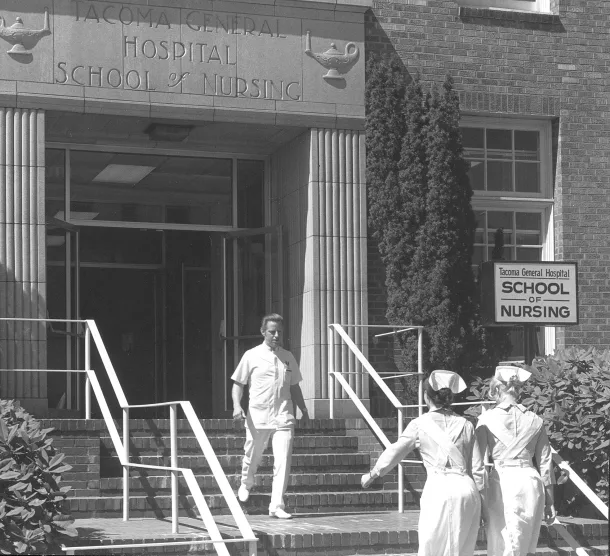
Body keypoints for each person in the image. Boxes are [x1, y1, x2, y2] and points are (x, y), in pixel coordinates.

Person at [361, 370, 484, 556]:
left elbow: (396, 450)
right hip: (466, 489)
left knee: (431, 546)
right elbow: (478, 468)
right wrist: (483, 501)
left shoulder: (419, 424)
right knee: (462, 548)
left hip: (438, 487)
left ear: (427, 396)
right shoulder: (466, 424)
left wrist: (374, 473)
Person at [231, 313, 309, 519]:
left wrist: (304, 409)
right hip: (258, 416)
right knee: (253, 455)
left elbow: (295, 387)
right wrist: (236, 406)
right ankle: (246, 483)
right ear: (263, 332)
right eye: (272, 331)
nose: (276, 335)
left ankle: (276, 505)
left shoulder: (288, 357)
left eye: (279, 332)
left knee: (283, 460)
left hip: (283, 416)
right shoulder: (251, 355)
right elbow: (238, 383)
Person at [476, 365, 556, 556]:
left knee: (502, 541)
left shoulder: (486, 419)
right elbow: (545, 462)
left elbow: (477, 463)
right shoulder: (536, 420)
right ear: (518, 389)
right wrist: (551, 500)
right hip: (531, 481)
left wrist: (479, 498)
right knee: (526, 542)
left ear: (496, 389)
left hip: (503, 482)